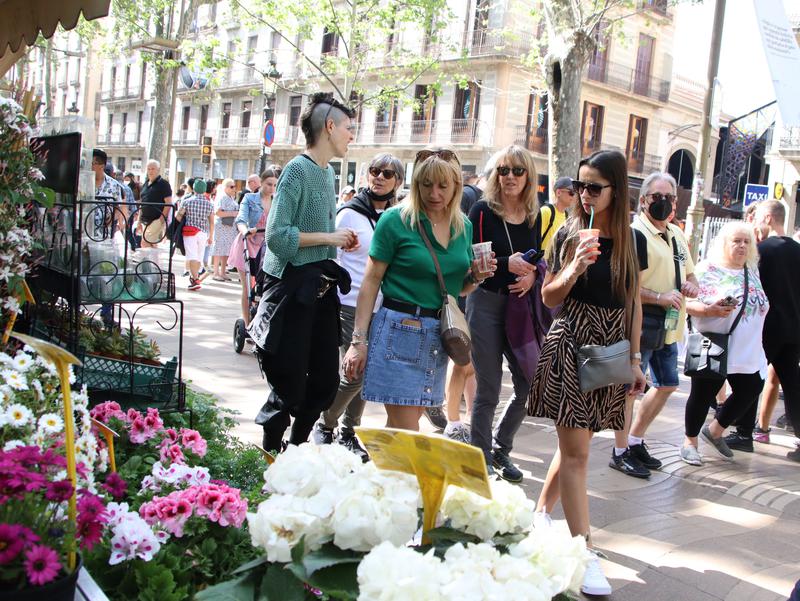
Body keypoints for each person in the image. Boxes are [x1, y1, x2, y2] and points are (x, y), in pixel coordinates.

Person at [527, 149, 647, 596]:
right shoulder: (568, 234)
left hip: (612, 347)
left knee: (577, 441)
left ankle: (539, 514)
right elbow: (549, 297)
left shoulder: (632, 240)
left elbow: (633, 301)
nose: (584, 195)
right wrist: (576, 265)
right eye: (580, 186)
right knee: (577, 452)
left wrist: (635, 361)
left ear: (617, 190)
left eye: (594, 187)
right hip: (572, 340)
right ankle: (584, 553)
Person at [342, 148, 495, 432]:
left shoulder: (464, 227)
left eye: (442, 186)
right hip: (399, 331)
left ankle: (382, 476)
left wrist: (476, 276)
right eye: (426, 185)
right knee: (406, 431)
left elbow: (458, 290)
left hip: (438, 336)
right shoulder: (396, 220)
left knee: (398, 431)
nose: (434, 193)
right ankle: (396, 476)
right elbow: (370, 281)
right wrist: (358, 341)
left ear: (456, 188)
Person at [252, 93, 359, 453]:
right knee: (289, 385)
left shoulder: (328, 173)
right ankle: (270, 454)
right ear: (329, 127)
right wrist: (329, 237)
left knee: (326, 383)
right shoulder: (297, 170)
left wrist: (337, 243)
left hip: (321, 291)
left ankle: (296, 450)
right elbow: (277, 238)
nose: (351, 135)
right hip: (290, 290)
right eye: (348, 127)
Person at [312, 152, 405, 460]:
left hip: (385, 306)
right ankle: (325, 422)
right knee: (357, 372)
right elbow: (330, 256)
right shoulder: (349, 213)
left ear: (398, 181)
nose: (379, 177)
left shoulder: (400, 216)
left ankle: (350, 431)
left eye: (387, 173)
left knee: (367, 371)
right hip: (349, 303)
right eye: (374, 171)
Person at [615, 173, 700, 478]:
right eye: (656, 196)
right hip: (644, 323)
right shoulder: (635, 233)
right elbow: (626, 285)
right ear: (644, 200)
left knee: (667, 384)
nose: (663, 202)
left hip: (671, 327)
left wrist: (691, 287)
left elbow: (691, 275)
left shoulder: (677, 234)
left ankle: (636, 439)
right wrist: (660, 296)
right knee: (630, 390)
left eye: (669, 197)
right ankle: (620, 450)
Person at [466, 145, 542, 481]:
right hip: (485, 303)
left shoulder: (533, 215)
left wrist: (532, 274)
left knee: (529, 383)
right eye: (503, 170)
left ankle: (501, 448)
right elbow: (471, 261)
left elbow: (538, 257)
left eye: (517, 171)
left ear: (528, 176)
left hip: (518, 308)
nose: (509, 177)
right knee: (489, 389)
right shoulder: (482, 211)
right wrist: (503, 264)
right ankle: (480, 461)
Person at [680, 222, 769, 464]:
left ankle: (716, 431)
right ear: (724, 243)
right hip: (715, 344)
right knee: (702, 394)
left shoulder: (751, 271)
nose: (742, 246)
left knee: (752, 387)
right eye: (736, 241)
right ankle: (690, 442)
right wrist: (709, 310)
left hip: (748, 349)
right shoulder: (707, 269)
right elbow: (685, 303)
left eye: (746, 242)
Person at [728, 200, 800, 462]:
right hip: (794, 329)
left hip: (767, 327)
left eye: (758, 216)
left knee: (753, 376)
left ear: (768, 218)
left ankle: (744, 433)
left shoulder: (762, 251)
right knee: (793, 385)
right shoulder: (797, 251)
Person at [230, 167, 281, 326]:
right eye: (268, 184)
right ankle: (246, 323)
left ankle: (261, 322)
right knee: (247, 287)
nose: (271, 188)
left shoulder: (277, 201)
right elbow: (240, 219)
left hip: (268, 248)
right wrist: (246, 230)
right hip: (247, 245)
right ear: (261, 182)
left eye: (274, 185)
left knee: (266, 287)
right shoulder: (249, 198)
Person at [177, 179, 214, 291]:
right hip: (203, 232)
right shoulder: (209, 204)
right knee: (198, 256)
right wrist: (211, 236)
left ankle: (195, 279)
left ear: (193, 188)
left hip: (190, 231)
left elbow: (178, 217)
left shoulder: (187, 201)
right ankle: (195, 278)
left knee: (191, 255)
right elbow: (212, 222)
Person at [138, 160, 173, 248]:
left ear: (158, 170)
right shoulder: (145, 184)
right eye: (148, 169)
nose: (150, 171)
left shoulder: (164, 184)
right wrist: (138, 221)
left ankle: (148, 261)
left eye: (153, 169)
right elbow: (142, 203)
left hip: (156, 220)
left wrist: (161, 219)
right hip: (144, 220)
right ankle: (154, 261)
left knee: (145, 242)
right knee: (151, 244)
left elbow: (168, 203)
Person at [211, 178, 238, 281]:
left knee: (226, 249)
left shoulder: (231, 197)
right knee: (219, 248)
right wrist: (233, 213)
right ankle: (216, 272)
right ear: (225, 187)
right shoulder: (222, 197)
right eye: (231, 186)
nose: (233, 188)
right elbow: (218, 212)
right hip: (222, 226)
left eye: (234, 186)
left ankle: (222, 272)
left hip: (229, 227)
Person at [540, 176, 577, 251]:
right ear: (558, 192)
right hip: (542, 261)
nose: (574, 196)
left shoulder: (566, 216)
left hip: (555, 262)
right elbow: (535, 240)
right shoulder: (546, 211)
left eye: (575, 193)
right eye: (571, 192)